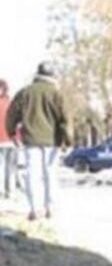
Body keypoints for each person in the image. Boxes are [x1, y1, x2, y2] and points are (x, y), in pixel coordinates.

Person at [5, 62, 70, 220]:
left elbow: (11, 114)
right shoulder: (56, 94)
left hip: (30, 139)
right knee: (50, 175)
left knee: (32, 175)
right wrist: (66, 140)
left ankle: (35, 209)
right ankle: (51, 208)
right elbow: (64, 118)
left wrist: (12, 132)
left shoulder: (25, 93)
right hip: (52, 140)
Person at [0, 79, 14, 199]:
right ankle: (10, 191)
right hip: (11, 139)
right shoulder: (11, 103)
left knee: (1, 166)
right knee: (10, 167)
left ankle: (2, 190)